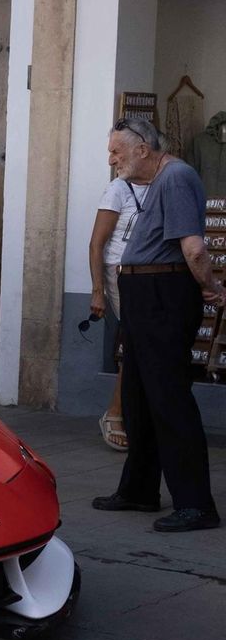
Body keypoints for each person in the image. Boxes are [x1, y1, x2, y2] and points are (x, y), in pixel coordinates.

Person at [93, 117, 223, 533]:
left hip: (162, 295)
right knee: (138, 396)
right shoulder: (159, 182)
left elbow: (194, 248)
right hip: (144, 296)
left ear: (143, 148)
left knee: (168, 397)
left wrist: (211, 286)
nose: (112, 159)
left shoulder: (177, 176)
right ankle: (139, 489)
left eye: (117, 151)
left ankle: (196, 504)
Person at [89, 164, 147, 451]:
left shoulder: (161, 185)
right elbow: (96, 243)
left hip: (150, 273)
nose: (112, 159)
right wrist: (97, 291)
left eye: (116, 152)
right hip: (120, 272)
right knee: (136, 341)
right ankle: (116, 411)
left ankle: (131, 413)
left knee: (142, 344)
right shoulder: (118, 189)